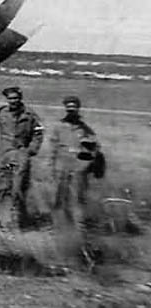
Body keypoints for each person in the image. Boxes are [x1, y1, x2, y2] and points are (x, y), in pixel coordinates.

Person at [0, 86, 44, 229]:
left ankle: (19, 220)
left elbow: (38, 133)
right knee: (3, 187)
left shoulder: (30, 115)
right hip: (3, 154)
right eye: (10, 98)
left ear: (20, 98)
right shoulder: (1, 113)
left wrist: (31, 150)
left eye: (16, 98)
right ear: (7, 99)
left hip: (21, 153)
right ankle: (3, 221)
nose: (13, 101)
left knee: (18, 188)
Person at [49, 96, 101, 233]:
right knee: (59, 198)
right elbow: (53, 149)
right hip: (61, 167)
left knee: (78, 198)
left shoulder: (85, 129)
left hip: (78, 168)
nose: (71, 110)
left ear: (78, 109)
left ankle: (79, 228)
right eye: (68, 108)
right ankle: (58, 227)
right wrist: (51, 167)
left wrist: (86, 163)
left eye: (74, 107)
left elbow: (95, 149)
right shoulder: (59, 126)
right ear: (65, 109)